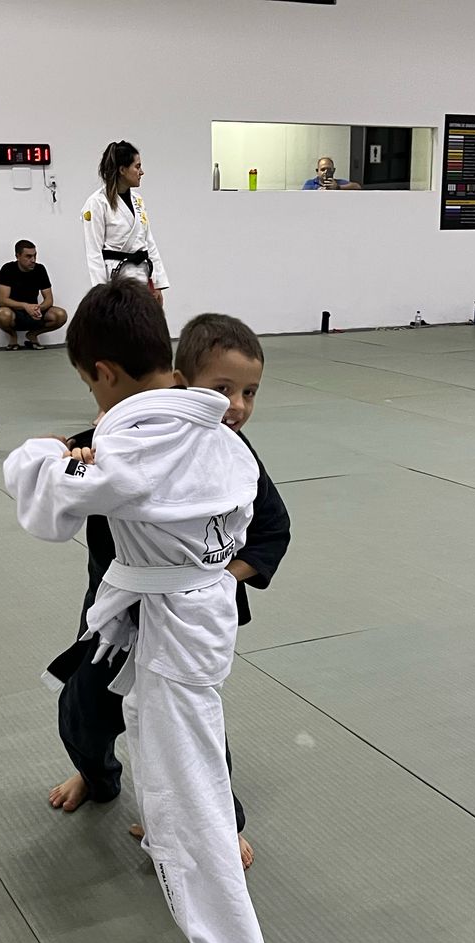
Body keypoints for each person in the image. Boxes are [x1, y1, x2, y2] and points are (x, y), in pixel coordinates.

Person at [4, 280, 272, 943]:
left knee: (192, 788)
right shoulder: (218, 433)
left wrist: (49, 449)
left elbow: (47, 509)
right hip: (195, 613)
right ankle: (160, 829)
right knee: (153, 740)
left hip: (175, 623)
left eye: (89, 384)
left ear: (102, 372)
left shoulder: (132, 443)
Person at [44, 312, 292, 875]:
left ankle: (220, 822)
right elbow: (65, 476)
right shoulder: (121, 441)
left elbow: (273, 530)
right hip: (115, 618)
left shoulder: (234, 456)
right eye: (222, 389)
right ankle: (96, 774)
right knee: (82, 713)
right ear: (180, 385)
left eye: (250, 392)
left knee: (192, 726)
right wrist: (72, 461)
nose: (237, 406)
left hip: (186, 620)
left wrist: (216, 582)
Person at [83, 141, 169, 304]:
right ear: (122, 170)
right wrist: (102, 293)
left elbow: (148, 242)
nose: (141, 172)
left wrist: (157, 284)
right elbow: (94, 252)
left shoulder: (138, 200)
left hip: (143, 274)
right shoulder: (97, 203)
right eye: (137, 167)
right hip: (116, 279)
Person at [0, 240, 68, 349]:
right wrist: (25, 306)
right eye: (28, 256)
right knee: (3, 314)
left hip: (34, 311)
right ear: (18, 256)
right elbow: (3, 300)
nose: (33, 260)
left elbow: (49, 299)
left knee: (60, 315)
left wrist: (39, 308)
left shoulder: (40, 269)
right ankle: (13, 336)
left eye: (34, 256)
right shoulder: (8, 269)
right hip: (14, 311)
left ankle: (32, 335)